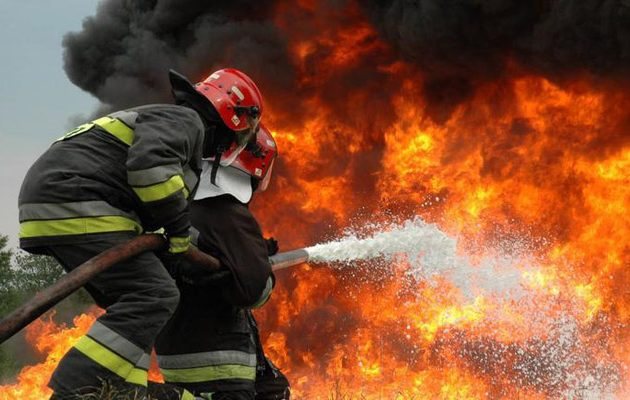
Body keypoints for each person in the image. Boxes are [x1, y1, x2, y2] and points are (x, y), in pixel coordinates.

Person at [17, 68, 264, 399]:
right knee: (156, 294)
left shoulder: (171, 125)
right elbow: (150, 172)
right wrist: (179, 232)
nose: (237, 142)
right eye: (243, 133)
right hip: (78, 199)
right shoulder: (186, 121)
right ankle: (77, 387)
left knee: (133, 301)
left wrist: (187, 249)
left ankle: (121, 388)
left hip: (57, 203)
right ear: (232, 117)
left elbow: (152, 201)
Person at [150, 123, 290, 400]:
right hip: (219, 361)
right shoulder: (226, 212)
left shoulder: (180, 207)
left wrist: (252, 252)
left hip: (176, 351)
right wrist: (260, 267)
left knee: (274, 389)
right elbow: (254, 292)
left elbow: (206, 254)